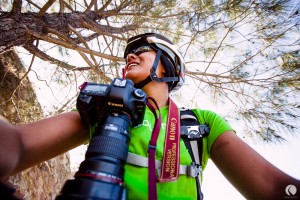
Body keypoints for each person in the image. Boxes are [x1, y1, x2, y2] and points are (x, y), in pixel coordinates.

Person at [0, 33, 299, 200]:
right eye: (128, 54)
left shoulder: (203, 123)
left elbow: (274, 189)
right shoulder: (105, 105)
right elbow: (17, 145)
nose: (129, 56)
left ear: (168, 68)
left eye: (141, 50)